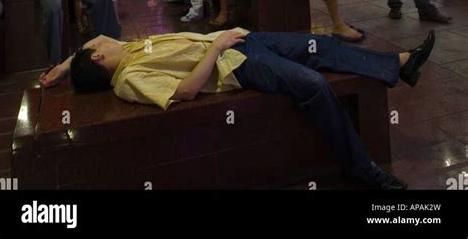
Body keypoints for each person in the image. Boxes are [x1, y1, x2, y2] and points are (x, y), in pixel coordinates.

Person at [40, 27, 437, 191]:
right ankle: (361, 167)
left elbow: (95, 40)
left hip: (236, 41)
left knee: (321, 45)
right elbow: (188, 90)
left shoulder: (121, 49)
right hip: (236, 63)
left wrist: (62, 67)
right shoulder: (128, 78)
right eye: (96, 49)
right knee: (312, 85)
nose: (103, 40)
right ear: (97, 60)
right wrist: (216, 48)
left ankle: (401, 63)